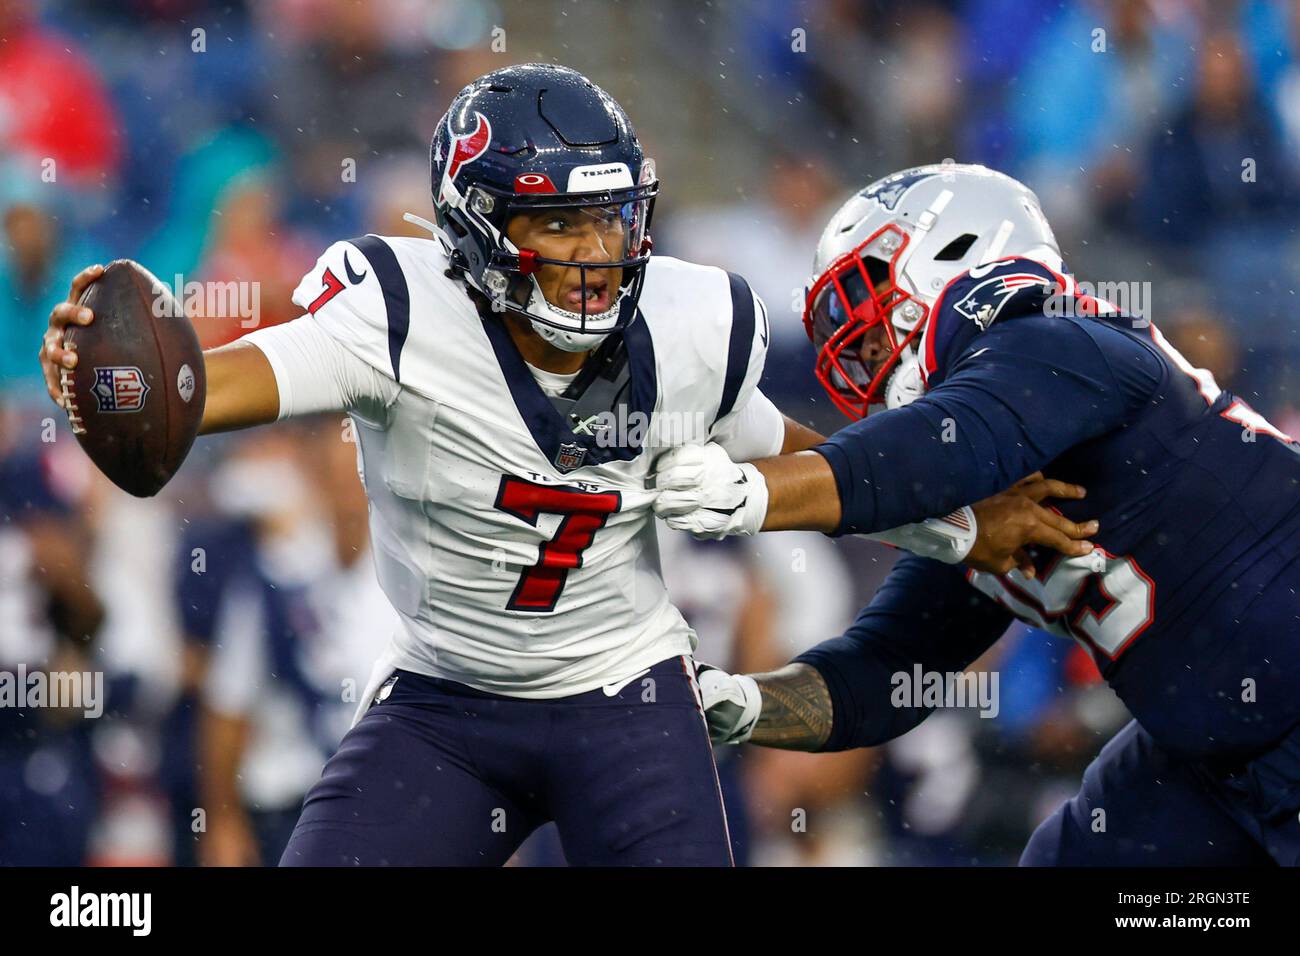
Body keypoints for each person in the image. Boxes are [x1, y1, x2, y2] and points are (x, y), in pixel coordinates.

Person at [38, 70, 1087, 866]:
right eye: (557, 220)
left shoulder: (687, 321)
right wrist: (111, 383)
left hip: (624, 701)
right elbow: (195, 391)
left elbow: (809, 465)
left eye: (609, 213)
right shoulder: (395, 316)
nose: (595, 249)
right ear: (476, 232)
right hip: (445, 703)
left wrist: (954, 525)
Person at [656, 163, 1300, 866]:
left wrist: (752, 493)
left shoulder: (1061, 338)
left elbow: (925, 455)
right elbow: (885, 674)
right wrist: (731, 704)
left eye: (867, 295)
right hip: (1210, 749)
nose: (861, 346)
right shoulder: (972, 503)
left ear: (954, 251)